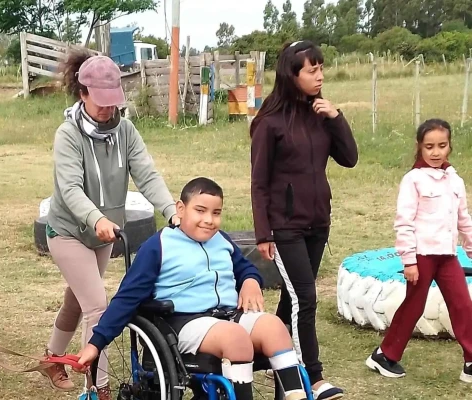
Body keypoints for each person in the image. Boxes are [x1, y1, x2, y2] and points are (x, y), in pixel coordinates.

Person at [76, 177, 310, 400]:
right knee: (236, 337)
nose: (209, 220)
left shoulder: (222, 241)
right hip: (184, 322)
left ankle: (296, 395)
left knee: (274, 327)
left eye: (216, 213)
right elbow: (127, 297)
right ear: (180, 209)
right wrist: (96, 343)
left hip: (228, 316)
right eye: (200, 210)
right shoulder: (159, 246)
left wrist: (250, 282)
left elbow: (246, 269)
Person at [39, 50, 180, 399]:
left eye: (112, 101)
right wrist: (97, 218)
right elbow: (69, 188)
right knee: (98, 306)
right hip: (68, 232)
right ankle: (97, 388)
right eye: (99, 101)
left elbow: (146, 174)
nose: (107, 109)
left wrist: (171, 210)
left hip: (103, 235)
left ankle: (51, 358)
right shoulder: (67, 134)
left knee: (78, 298)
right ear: (82, 93)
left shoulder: (126, 131)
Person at [249, 40, 358, 400]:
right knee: (305, 299)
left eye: (321, 68)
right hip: (285, 228)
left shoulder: (320, 114)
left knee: (290, 301)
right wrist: (264, 232)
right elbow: (259, 182)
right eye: (312, 70)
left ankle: (279, 373)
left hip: (317, 223)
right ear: (291, 75)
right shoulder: (269, 123)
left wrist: (336, 117)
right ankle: (312, 376)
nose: (319, 76)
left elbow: (350, 159)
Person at [366, 119, 472, 382]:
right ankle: (385, 355)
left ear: (449, 147)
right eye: (429, 147)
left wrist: (470, 248)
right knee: (414, 306)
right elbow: (404, 222)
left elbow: (463, 219)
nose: (436, 152)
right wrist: (409, 261)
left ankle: (471, 361)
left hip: (447, 257)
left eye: (442, 146)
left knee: (463, 305)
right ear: (420, 148)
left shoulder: (455, 180)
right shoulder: (413, 180)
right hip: (422, 256)